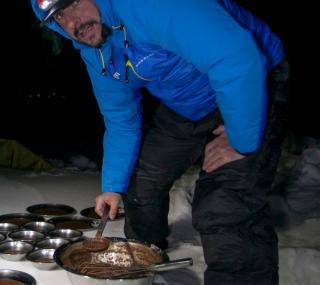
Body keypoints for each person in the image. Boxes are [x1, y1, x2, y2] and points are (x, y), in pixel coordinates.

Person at [31, 0, 289, 284]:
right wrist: (112, 187)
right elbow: (120, 119)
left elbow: (237, 58)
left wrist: (240, 139)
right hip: (186, 103)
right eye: (59, 17)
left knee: (224, 205)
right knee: (140, 186)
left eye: (73, 2)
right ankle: (142, 268)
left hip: (253, 80)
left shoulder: (148, 5)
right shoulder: (95, 51)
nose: (71, 23)